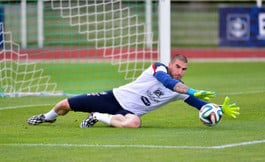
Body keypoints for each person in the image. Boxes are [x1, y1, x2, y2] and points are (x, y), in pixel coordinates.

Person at [27, 54, 240, 128]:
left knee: (134, 123)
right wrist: (192, 90)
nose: (181, 72)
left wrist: (218, 109)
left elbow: (199, 105)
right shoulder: (159, 68)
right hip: (113, 98)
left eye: (185, 69)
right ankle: (47, 118)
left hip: (127, 112)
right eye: (179, 67)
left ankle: (98, 117)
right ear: (171, 64)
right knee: (64, 105)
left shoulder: (182, 90)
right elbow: (166, 81)